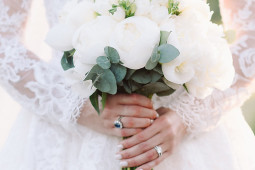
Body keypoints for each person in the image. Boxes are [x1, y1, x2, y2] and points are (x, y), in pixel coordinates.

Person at [0, 0, 254, 170]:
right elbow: (4, 38)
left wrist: (188, 116)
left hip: (185, 134)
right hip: (69, 138)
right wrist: (78, 107)